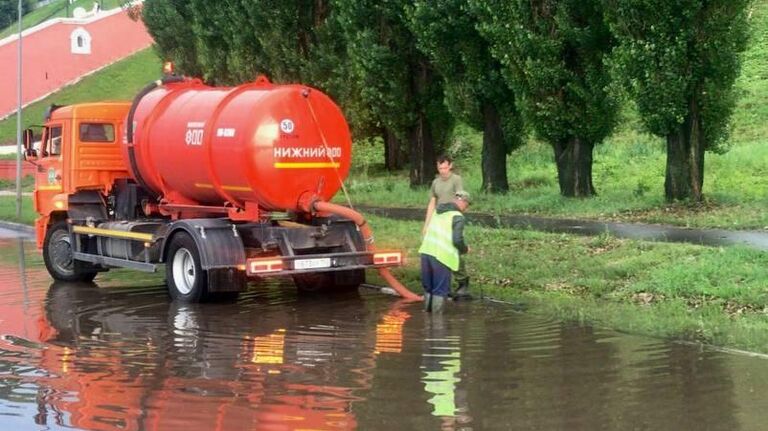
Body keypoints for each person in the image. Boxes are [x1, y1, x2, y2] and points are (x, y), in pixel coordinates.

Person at [422, 155, 471, 299]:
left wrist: (458, 214)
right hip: (439, 219)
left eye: (444, 167)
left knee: (455, 246)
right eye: (439, 168)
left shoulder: (456, 179)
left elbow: (461, 198)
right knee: (439, 253)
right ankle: (444, 286)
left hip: (453, 219)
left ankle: (462, 281)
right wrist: (427, 224)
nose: (442, 170)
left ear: (450, 166)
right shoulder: (435, 182)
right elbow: (432, 203)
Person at [419, 191, 471, 312]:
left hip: (426, 253)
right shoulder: (457, 216)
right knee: (439, 290)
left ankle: (427, 317)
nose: (465, 209)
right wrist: (465, 249)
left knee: (428, 287)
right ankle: (438, 322)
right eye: (466, 205)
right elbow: (457, 240)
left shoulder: (437, 211)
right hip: (441, 256)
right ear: (462, 202)